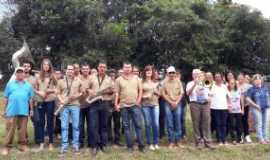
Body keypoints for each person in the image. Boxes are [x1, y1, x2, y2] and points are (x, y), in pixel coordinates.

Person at [1, 67, 34, 156]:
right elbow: (5, 98)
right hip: (11, 111)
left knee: (22, 130)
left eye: (21, 72)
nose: (20, 74)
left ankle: (22, 145)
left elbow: (30, 99)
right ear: (15, 74)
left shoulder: (28, 85)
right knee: (10, 129)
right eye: (18, 72)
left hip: (24, 110)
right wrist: (3, 110)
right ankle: (6, 146)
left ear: (24, 74)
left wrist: (31, 110)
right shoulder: (10, 84)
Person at [114, 61, 145, 153]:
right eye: (125, 67)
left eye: (129, 67)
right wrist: (116, 104)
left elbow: (140, 91)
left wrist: (138, 101)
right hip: (123, 106)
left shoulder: (137, 78)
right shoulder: (118, 80)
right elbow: (117, 93)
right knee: (127, 127)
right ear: (123, 68)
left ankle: (141, 146)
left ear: (131, 68)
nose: (127, 69)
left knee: (138, 126)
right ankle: (129, 146)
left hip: (135, 106)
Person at [87, 61, 114, 156]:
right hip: (94, 104)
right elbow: (86, 88)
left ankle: (103, 145)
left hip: (105, 103)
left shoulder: (109, 79)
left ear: (106, 69)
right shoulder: (91, 77)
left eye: (104, 67)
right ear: (98, 68)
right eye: (100, 67)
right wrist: (91, 91)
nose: (102, 68)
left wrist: (105, 92)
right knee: (94, 126)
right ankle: (95, 146)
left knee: (104, 126)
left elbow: (112, 91)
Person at [57, 64, 82, 155]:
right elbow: (58, 93)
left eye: (72, 69)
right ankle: (64, 146)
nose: (70, 71)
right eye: (69, 69)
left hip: (75, 106)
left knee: (75, 126)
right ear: (66, 70)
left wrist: (75, 96)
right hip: (64, 106)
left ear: (74, 70)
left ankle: (76, 146)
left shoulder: (78, 81)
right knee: (64, 127)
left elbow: (81, 92)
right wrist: (62, 100)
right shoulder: (60, 81)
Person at [186, 69, 213, 149]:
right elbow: (188, 93)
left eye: (199, 74)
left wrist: (209, 98)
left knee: (206, 122)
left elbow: (211, 92)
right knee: (196, 123)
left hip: (205, 104)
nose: (197, 75)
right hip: (195, 104)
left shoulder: (205, 82)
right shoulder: (190, 83)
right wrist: (195, 84)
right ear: (192, 75)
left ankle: (207, 141)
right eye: (195, 74)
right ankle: (198, 142)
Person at [34, 58, 57, 151]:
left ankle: (51, 143)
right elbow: (34, 89)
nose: (46, 66)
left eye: (48, 65)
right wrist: (40, 93)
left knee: (50, 122)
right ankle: (42, 143)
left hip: (50, 101)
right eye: (44, 64)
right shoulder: (38, 76)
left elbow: (56, 89)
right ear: (42, 66)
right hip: (41, 101)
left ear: (50, 66)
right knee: (41, 123)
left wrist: (49, 91)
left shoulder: (53, 76)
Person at [161, 66, 184, 148]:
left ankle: (178, 141)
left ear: (175, 73)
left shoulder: (178, 81)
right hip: (168, 104)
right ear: (167, 73)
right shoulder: (164, 82)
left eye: (173, 72)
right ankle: (171, 141)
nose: (171, 74)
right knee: (169, 123)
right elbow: (163, 94)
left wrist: (176, 102)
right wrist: (171, 102)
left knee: (178, 122)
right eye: (170, 73)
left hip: (177, 103)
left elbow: (181, 93)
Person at [246, 74, 270, 144]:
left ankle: (266, 137)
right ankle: (261, 138)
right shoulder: (251, 89)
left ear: (261, 80)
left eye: (259, 79)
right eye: (256, 79)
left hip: (266, 108)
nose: (258, 81)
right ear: (253, 81)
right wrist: (255, 105)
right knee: (259, 123)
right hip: (256, 108)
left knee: (265, 123)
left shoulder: (266, 87)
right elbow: (247, 98)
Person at [141, 65, 160, 150]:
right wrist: (145, 96)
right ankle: (150, 143)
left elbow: (160, 94)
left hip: (155, 105)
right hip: (145, 106)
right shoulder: (141, 82)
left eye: (150, 71)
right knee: (148, 124)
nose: (149, 72)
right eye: (147, 71)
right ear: (145, 72)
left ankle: (156, 143)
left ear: (152, 72)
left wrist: (156, 92)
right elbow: (139, 95)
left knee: (155, 124)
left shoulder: (155, 82)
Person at [210, 72, 230, 146]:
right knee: (218, 124)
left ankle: (224, 139)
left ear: (222, 78)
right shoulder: (212, 86)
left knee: (224, 124)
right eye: (216, 77)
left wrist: (229, 105)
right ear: (215, 78)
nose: (218, 78)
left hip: (224, 108)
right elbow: (210, 96)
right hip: (215, 108)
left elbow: (228, 96)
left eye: (219, 77)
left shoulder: (224, 86)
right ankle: (219, 140)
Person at [107, 69, 122, 146]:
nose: (112, 76)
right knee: (108, 123)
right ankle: (109, 139)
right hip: (108, 104)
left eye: (113, 74)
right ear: (109, 75)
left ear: (115, 75)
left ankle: (117, 140)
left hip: (116, 104)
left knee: (117, 123)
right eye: (111, 74)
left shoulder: (118, 82)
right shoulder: (106, 82)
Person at [78, 64, 91, 148]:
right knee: (80, 125)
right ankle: (81, 142)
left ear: (89, 70)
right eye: (84, 69)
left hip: (90, 105)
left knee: (91, 124)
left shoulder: (92, 78)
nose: (85, 70)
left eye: (87, 69)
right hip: (80, 105)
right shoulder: (77, 79)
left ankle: (90, 142)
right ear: (81, 70)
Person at [237, 73, 253, 143]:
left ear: (244, 78)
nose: (240, 80)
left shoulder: (248, 86)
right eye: (239, 78)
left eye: (241, 78)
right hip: (237, 106)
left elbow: (251, 96)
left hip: (246, 106)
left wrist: (248, 103)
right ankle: (240, 136)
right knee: (239, 121)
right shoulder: (236, 85)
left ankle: (247, 135)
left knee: (245, 121)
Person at [227, 79, 244, 144]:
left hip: (238, 110)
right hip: (231, 111)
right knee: (231, 125)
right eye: (231, 83)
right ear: (229, 84)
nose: (232, 85)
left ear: (235, 84)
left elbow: (241, 100)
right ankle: (233, 139)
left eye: (233, 83)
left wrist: (242, 109)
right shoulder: (227, 91)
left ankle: (240, 138)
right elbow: (227, 100)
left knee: (239, 125)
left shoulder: (239, 90)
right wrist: (228, 108)